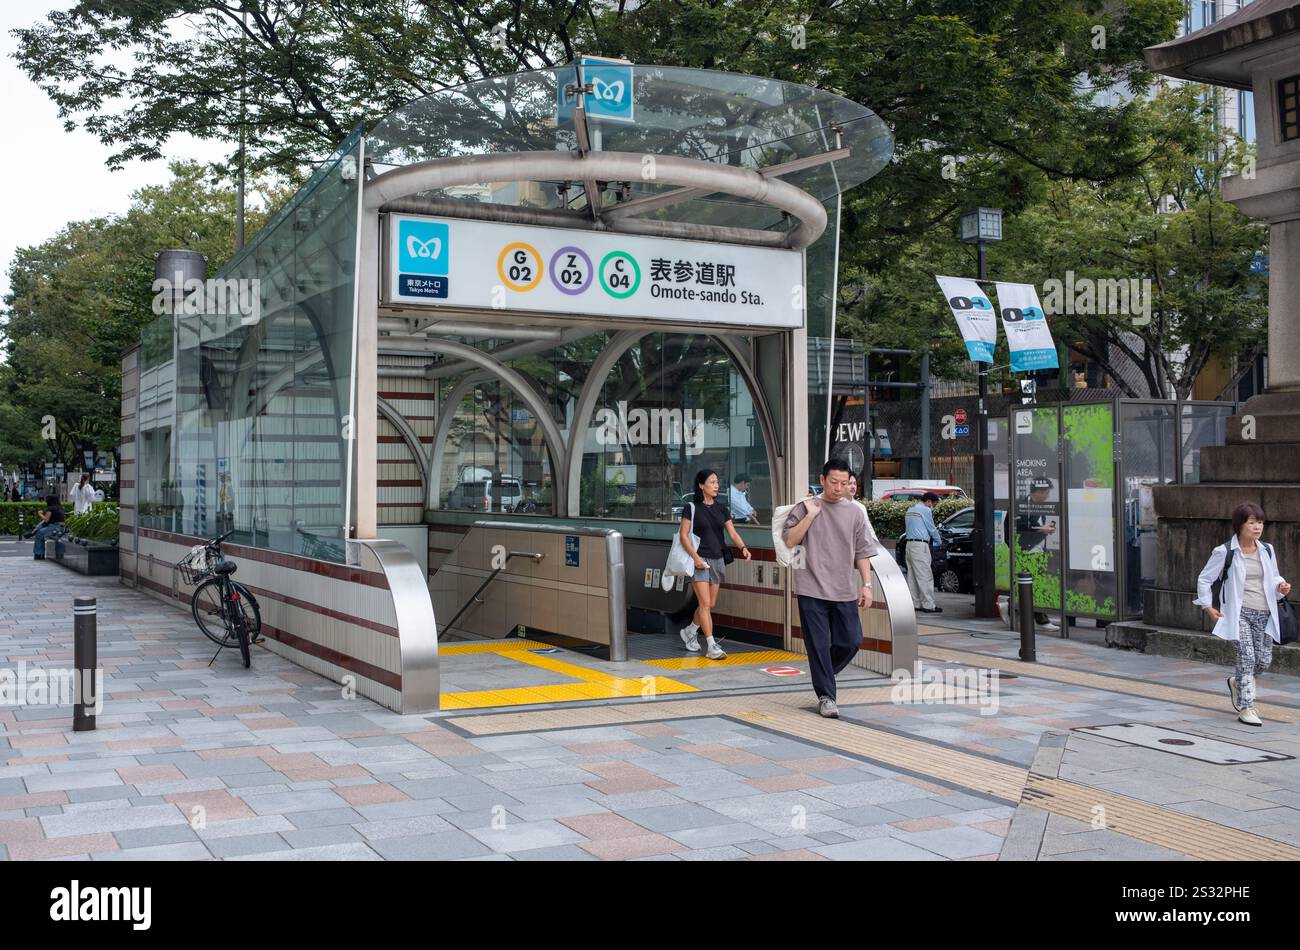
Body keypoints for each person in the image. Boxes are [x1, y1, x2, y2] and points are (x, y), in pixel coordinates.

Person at [782, 459, 876, 718]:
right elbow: (790, 539)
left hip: (844, 589)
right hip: (811, 588)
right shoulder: (805, 507)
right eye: (833, 482)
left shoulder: (855, 512)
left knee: (851, 641)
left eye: (844, 483)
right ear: (822, 480)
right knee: (819, 645)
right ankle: (826, 696)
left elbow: (863, 552)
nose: (839, 488)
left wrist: (866, 585)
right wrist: (811, 515)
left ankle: (824, 672)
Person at [1195, 503, 1291, 727]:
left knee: (1264, 661)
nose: (1257, 527)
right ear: (1240, 525)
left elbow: (1273, 577)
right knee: (1247, 658)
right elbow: (1205, 579)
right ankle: (1247, 707)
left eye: (1260, 523)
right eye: (1252, 523)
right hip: (1239, 614)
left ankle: (1237, 681)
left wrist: (1281, 586)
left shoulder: (1267, 549)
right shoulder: (1225, 551)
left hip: (1265, 613)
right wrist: (1207, 607)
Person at [678, 469, 751, 659]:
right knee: (703, 603)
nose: (716, 485)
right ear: (701, 485)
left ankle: (690, 631)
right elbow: (683, 536)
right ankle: (711, 646)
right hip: (699, 559)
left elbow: (732, 533)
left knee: (710, 603)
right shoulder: (691, 508)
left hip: (717, 559)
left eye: (717, 482)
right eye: (712, 482)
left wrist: (743, 547)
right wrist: (695, 558)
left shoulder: (721, 508)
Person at [1015, 477, 1061, 632]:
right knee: (1036, 584)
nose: (1048, 495)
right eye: (1046, 492)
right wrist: (1042, 529)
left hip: (1039, 550)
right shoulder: (1023, 504)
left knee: (1035, 584)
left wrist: (1044, 528)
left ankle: (1011, 607)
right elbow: (1020, 527)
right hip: (1028, 551)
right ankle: (1041, 619)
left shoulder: (1040, 506)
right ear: (1038, 492)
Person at [903, 492, 943, 614]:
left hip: (909, 545)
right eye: (933, 504)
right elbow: (931, 528)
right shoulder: (925, 510)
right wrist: (939, 541)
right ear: (929, 501)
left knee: (912, 576)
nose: (932, 507)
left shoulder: (910, 510)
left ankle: (915, 603)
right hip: (920, 546)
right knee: (925, 575)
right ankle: (928, 605)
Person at [32, 495, 66, 560]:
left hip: (54, 528)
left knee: (39, 534)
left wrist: (40, 514)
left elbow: (46, 519)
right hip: (62, 528)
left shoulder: (50, 508)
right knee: (41, 532)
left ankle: (39, 554)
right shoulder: (60, 508)